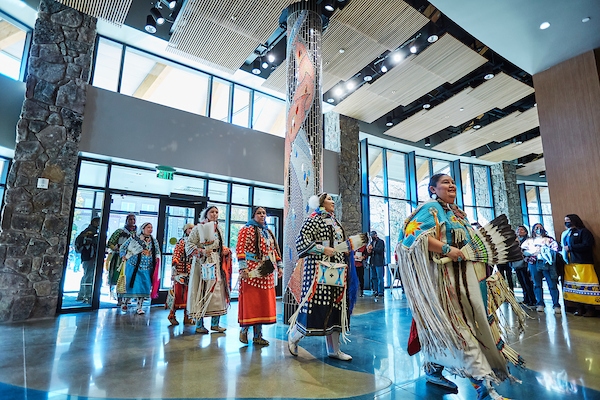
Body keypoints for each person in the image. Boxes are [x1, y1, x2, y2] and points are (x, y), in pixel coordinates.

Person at [396, 174, 523, 400]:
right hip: (444, 285)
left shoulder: (457, 213)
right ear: (432, 189)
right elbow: (411, 237)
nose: (451, 185)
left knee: (454, 330)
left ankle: (433, 369)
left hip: (466, 282)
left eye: (453, 182)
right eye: (445, 182)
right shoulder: (431, 208)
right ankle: (485, 390)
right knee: (463, 332)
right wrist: (447, 250)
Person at [287, 193, 359, 361]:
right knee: (313, 307)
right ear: (320, 202)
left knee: (336, 307)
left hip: (338, 269)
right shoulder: (312, 219)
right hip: (317, 271)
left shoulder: (335, 222)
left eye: (332, 199)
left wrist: (346, 249)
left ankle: (334, 349)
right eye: (328, 199)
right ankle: (294, 337)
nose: (332, 202)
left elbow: (337, 244)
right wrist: (321, 249)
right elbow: (301, 242)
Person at [236, 206, 283, 346]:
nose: (262, 215)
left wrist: (279, 267)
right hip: (251, 271)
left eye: (264, 213)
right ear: (253, 215)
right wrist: (243, 268)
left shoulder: (268, 232)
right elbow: (240, 248)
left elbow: (274, 250)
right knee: (251, 302)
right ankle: (244, 331)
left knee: (262, 304)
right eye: (259, 213)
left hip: (266, 271)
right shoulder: (246, 229)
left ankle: (258, 335)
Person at [186, 206, 232, 334]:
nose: (215, 214)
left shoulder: (219, 229)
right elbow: (189, 245)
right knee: (201, 290)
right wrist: (201, 251)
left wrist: (224, 250)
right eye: (212, 212)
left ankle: (215, 324)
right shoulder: (197, 228)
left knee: (217, 292)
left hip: (216, 262)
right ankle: (199, 324)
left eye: (217, 212)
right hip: (202, 263)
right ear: (206, 214)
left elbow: (218, 245)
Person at [119, 222, 161, 315]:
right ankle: (125, 303)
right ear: (143, 229)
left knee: (143, 287)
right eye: (148, 227)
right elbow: (123, 247)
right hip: (133, 266)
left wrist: (157, 260)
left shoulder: (154, 241)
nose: (150, 229)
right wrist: (123, 256)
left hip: (146, 267)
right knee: (130, 285)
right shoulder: (134, 238)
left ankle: (139, 307)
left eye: (151, 227)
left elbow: (157, 252)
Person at [561, 214, 598, 317]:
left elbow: (587, 244)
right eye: (565, 221)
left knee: (586, 286)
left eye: (568, 220)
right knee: (576, 287)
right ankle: (579, 308)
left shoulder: (584, 232)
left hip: (583, 263)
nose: (566, 222)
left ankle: (590, 309)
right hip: (571, 263)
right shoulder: (568, 233)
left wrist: (571, 247)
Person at [521, 223, 561, 314]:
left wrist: (546, 252)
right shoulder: (529, 241)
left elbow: (555, 249)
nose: (539, 229)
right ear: (533, 230)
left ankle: (556, 304)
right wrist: (531, 253)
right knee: (537, 284)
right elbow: (522, 251)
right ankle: (540, 303)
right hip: (534, 263)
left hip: (547, 264)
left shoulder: (549, 240)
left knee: (552, 284)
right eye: (536, 228)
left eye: (541, 227)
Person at [167, 222, 195, 326]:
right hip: (181, 271)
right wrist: (174, 267)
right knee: (178, 294)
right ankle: (172, 315)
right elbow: (176, 254)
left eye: (193, 229)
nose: (191, 231)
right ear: (186, 231)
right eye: (189, 229)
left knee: (189, 295)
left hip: (191, 270)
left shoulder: (195, 242)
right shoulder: (181, 242)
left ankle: (187, 316)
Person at [106, 214, 137, 304]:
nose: (132, 221)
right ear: (126, 220)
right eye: (130, 219)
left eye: (133, 219)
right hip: (120, 258)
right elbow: (110, 242)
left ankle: (128, 298)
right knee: (120, 278)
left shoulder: (137, 233)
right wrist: (116, 249)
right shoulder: (119, 231)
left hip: (132, 258)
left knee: (130, 278)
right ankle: (119, 298)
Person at [75, 217, 100, 304]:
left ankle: (81, 295)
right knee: (89, 276)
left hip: (87, 256)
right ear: (95, 222)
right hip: (90, 256)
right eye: (99, 222)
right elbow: (94, 244)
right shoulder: (91, 232)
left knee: (86, 275)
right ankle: (87, 296)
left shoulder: (87, 231)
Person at [512, 226, 536, 306]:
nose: (519, 231)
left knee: (527, 282)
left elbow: (529, 251)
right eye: (518, 230)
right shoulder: (515, 241)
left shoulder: (528, 241)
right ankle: (525, 298)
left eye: (522, 230)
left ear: (525, 232)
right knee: (521, 282)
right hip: (517, 264)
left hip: (525, 264)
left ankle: (532, 299)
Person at [367, 231, 385, 297]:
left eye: (373, 236)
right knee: (373, 277)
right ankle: (375, 290)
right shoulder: (371, 243)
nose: (372, 237)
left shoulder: (381, 242)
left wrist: (373, 248)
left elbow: (380, 250)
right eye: (371, 236)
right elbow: (370, 254)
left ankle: (381, 291)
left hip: (379, 262)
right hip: (373, 262)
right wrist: (369, 251)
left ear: (376, 235)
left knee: (380, 277)